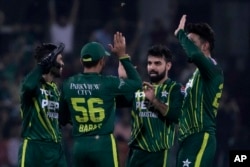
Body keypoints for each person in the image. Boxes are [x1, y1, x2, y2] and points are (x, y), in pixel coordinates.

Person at [59, 32, 142, 167]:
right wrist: (122, 57)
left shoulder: (68, 84)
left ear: (81, 61)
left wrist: (79, 120)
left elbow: (61, 118)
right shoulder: (108, 83)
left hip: (79, 145)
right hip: (103, 145)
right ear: (102, 61)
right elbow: (137, 83)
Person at [117, 44, 184, 167]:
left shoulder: (175, 88)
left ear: (168, 66)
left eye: (157, 63)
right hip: (135, 153)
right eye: (149, 63)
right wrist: (122, 80)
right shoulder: (139, 87)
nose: (152, 67)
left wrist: (154, 101)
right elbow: (118, 102)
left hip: (158, 155)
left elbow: (176, 116)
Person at [174, 14, 224, 167]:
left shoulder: (213, 68)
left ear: (205, 46)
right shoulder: (196, 75)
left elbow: (194, 54)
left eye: (192, 42)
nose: (187, 46)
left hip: (201, 136)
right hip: (187, 139)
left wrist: (180, 34)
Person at [18, 42, 67, 167]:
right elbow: (27, 87)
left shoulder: (56, 89)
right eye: (60, 59)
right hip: (34, 148)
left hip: (56, 148)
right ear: (50, 61)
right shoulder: (33, 84)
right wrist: (43, 65)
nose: (63, 64)